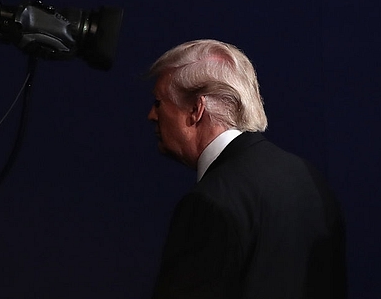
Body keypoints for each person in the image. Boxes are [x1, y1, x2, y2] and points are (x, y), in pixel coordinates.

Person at [146, 39, 347, 299]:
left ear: (196, 109)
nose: (151, 114)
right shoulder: (311, 182)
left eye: (159, 102)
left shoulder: (209, 202)